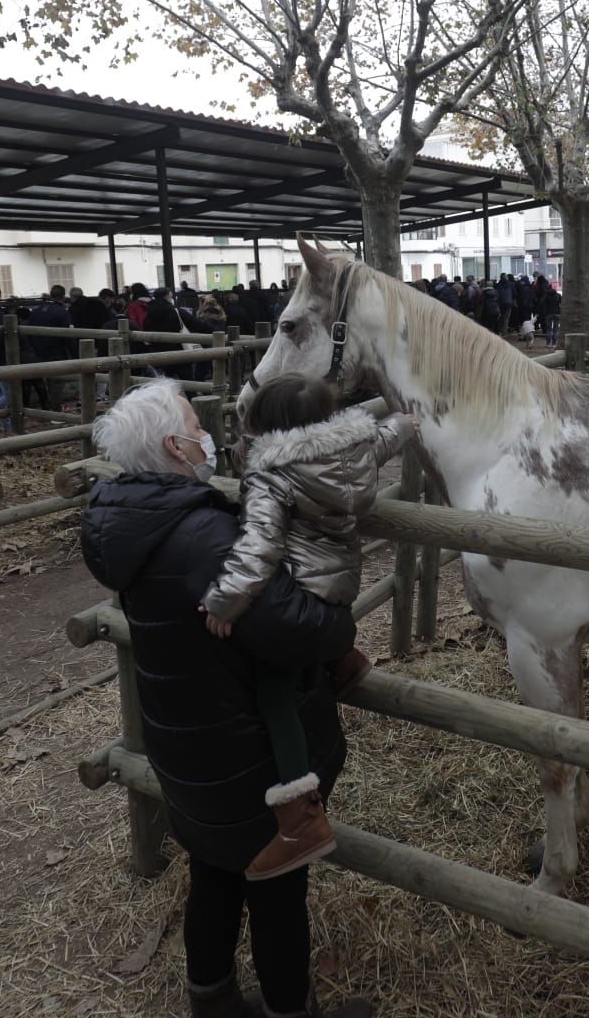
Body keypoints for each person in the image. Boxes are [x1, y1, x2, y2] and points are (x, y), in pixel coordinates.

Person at [82, 382, 371, 1018]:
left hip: (184, 736)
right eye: (195, 425)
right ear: (174, 446)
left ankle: (209, 996)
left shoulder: (127, 517)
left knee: (213, 866)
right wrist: (341, 629)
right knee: (274, 884)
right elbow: (290, 627)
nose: (206, 434)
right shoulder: (203, 538)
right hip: (243, 748)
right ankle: (292, 1009)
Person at [202, 376, 416, 878]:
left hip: (300, 594)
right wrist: (406, 424)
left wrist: (223, 602)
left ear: (263, 426)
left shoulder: (272, 475)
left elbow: (258, 547)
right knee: (307, 635)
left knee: (273, 691)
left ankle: (301, 822)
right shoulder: (355, 445)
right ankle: (342, 661)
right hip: (339, 588)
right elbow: (385, 438)